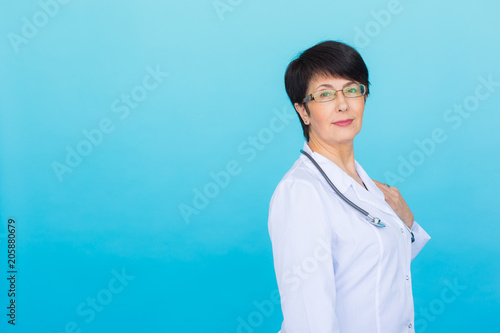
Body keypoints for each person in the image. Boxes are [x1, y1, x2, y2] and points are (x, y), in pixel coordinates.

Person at [268, 40, 431, 333]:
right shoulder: (302, 192)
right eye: (325, 94)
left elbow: (376, 271)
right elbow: (309, 316)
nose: (343, 104)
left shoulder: (370, 187)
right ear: (303, 111)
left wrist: (407, 224)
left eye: (353, 89)